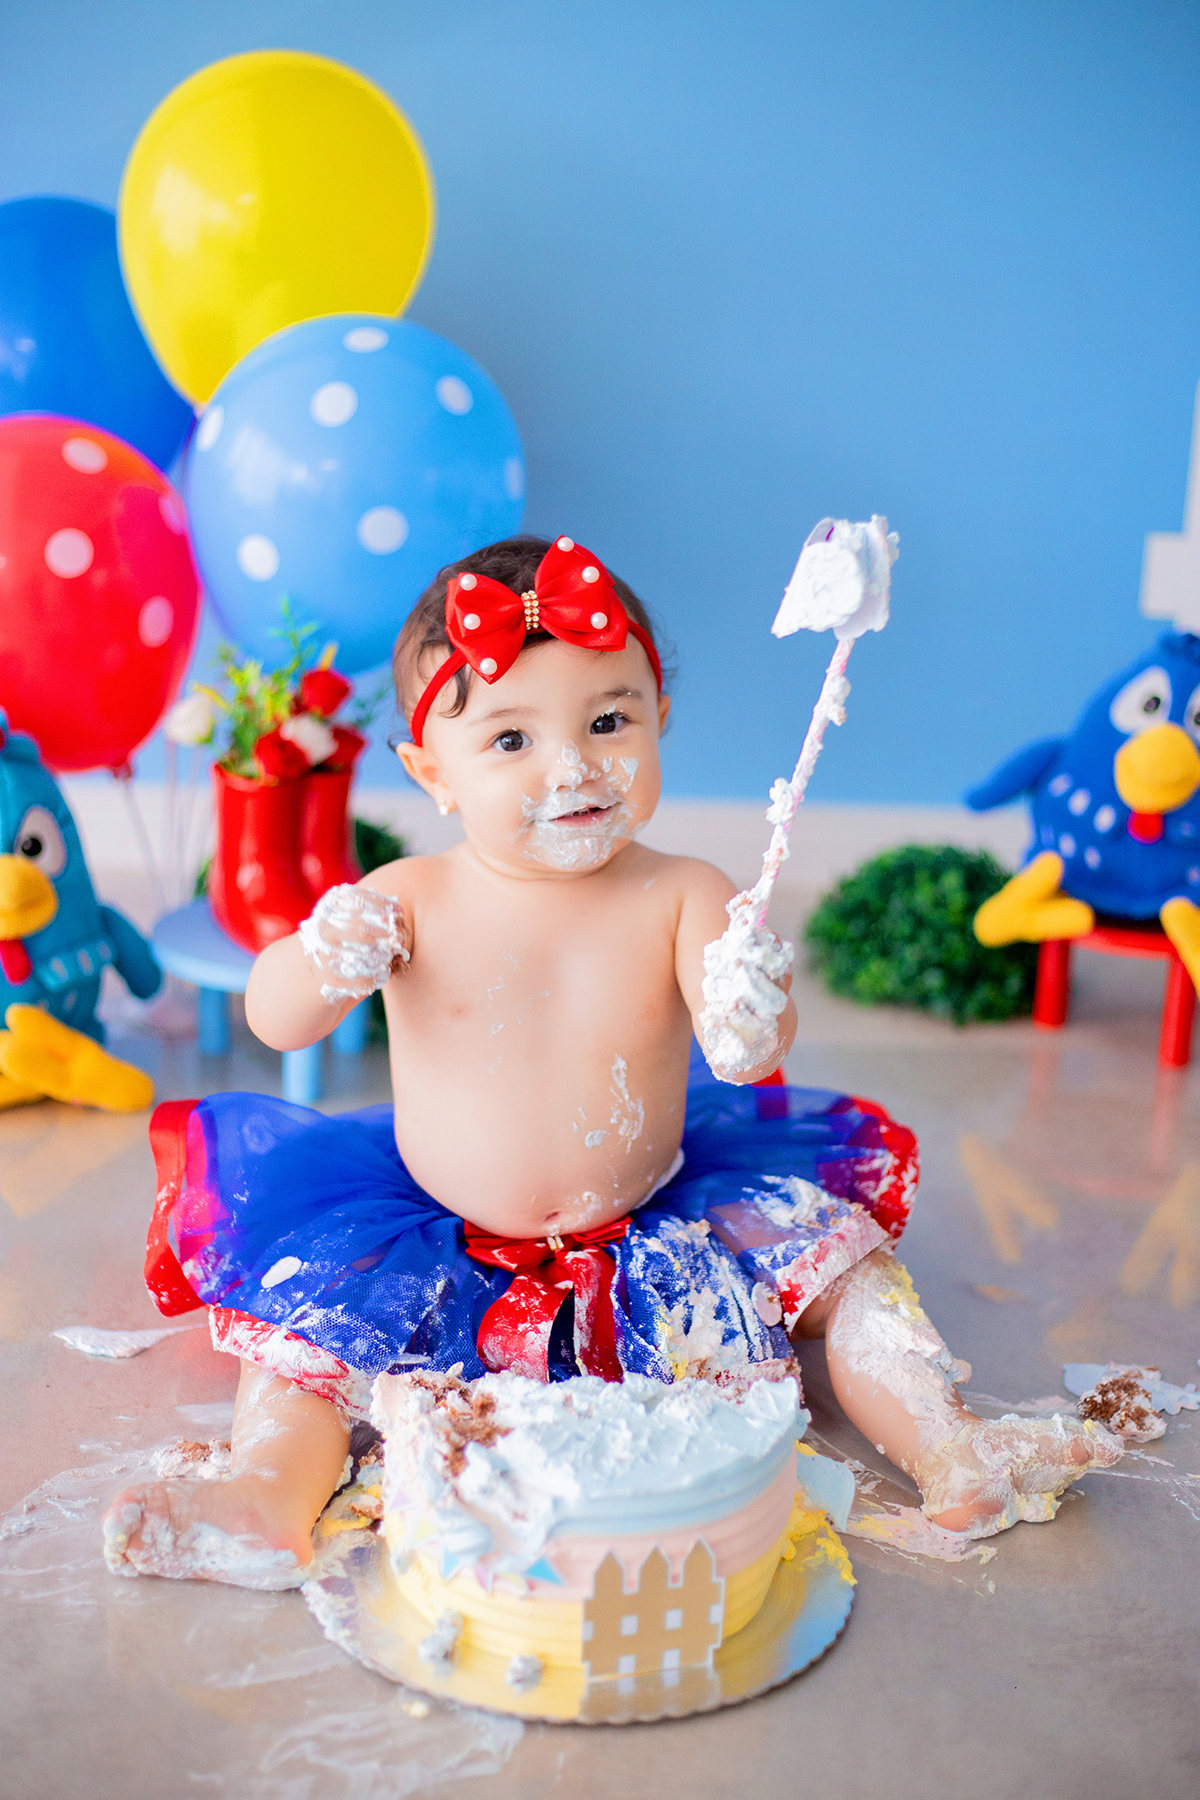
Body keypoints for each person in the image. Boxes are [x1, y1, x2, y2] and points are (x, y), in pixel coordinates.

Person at [103, 534, 1119, 1590]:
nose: (574, 766)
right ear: (429, 773)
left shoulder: (683, 891)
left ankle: (948, 1445)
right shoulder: (409, 894)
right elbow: (279, 1020)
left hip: (658, 1207)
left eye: (608, 720)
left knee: (853, 1277)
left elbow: (750, 1050)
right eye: (510, 740)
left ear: (659, 719)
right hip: (436, 1227)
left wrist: (748, 1009)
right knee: (305, 1339)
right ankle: (265, 1492)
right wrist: (323, 955)